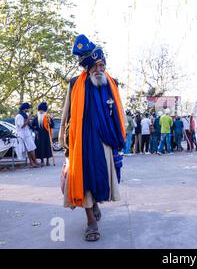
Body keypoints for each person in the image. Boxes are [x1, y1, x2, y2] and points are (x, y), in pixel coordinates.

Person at [58, 34, 126, 242]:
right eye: (95, 66)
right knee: (84, 180)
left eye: (102, 65)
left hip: (106, 143)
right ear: (87, 68)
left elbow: (120, 112)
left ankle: (94, 203)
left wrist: (121, 137)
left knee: (101, 178)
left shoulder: (111, 83)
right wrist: (63, 139)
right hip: (82, 142)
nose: (99, 70)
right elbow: (66, 113)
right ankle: (90, 221)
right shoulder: (75, 85)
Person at [15, 103, 40, 168]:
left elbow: (27, 123)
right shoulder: (19, 116)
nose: (28, 109)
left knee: (30, 148)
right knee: (31, 148)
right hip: (23, 134)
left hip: (27, 133)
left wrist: (31, 118)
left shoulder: (24, 114)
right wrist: (28, 119)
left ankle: (32, 163)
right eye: (28, 108)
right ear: (25, 108)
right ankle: (34, 162)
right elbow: (22, 126)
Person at [31, 102, 55, 166]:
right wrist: (35, 129)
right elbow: (32, 125)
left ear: (44, 111)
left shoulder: (47, 117)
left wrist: (49, 122)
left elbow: (52, 125)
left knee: (47, 147)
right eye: (39, 110)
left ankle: (47, 161)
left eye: (42, 110)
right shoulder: (36, 118)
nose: (40, 112)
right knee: (40, 147)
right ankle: (42, 160)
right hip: (39, 135)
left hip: (46, 135)